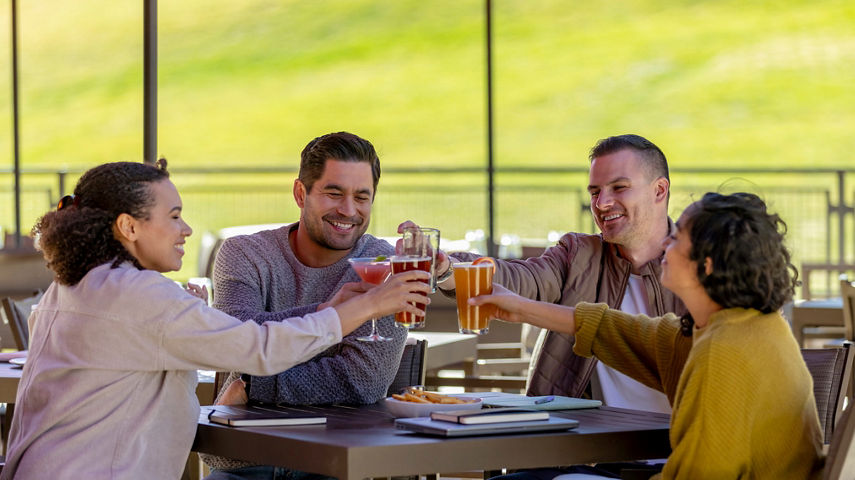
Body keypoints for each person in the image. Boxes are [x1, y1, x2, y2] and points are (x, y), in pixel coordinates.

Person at [0, 160, 429, 480]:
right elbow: (257, 349)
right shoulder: (140, 295)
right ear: (129, 226)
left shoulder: (77, 284)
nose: (185, 229)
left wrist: (326, 310)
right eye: (173, 216)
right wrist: (366, 307)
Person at [471, 192, 824, 479]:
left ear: (707, 264)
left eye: (677, 237)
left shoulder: (724, 351)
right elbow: (618, 330)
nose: (665, 243)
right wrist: (517, 307)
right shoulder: (742, 326)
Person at [420, 134, 687, 411]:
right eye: (595, 192)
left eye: (619, 188)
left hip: (682, 446)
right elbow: (519, 278)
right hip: (594, 445)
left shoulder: (701, 265)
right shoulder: (579, 255)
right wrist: (447, 267)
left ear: (659, 190)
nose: (602, 203)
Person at [202, 132, 406, 479]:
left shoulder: (385, 263)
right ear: (301, 193)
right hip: (247, 458)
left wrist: (252, 387)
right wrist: (332, 314)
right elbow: (235, 340)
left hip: (336, 461)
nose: (349, 210)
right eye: (334, 193)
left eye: (362, 197)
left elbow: (361, 382)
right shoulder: (244, 255)